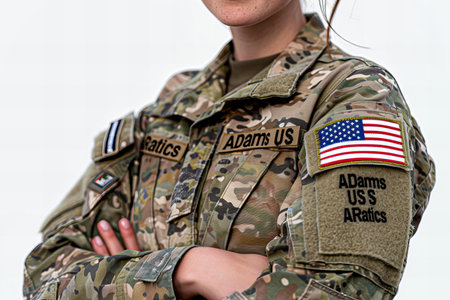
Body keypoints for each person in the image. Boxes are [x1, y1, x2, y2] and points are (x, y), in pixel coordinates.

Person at [23, 0, 435, 299]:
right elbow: (41, 275)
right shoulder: (166, 112)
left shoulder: (352, 97)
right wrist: (190, 270)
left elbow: (333, 292)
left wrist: (119, 280)